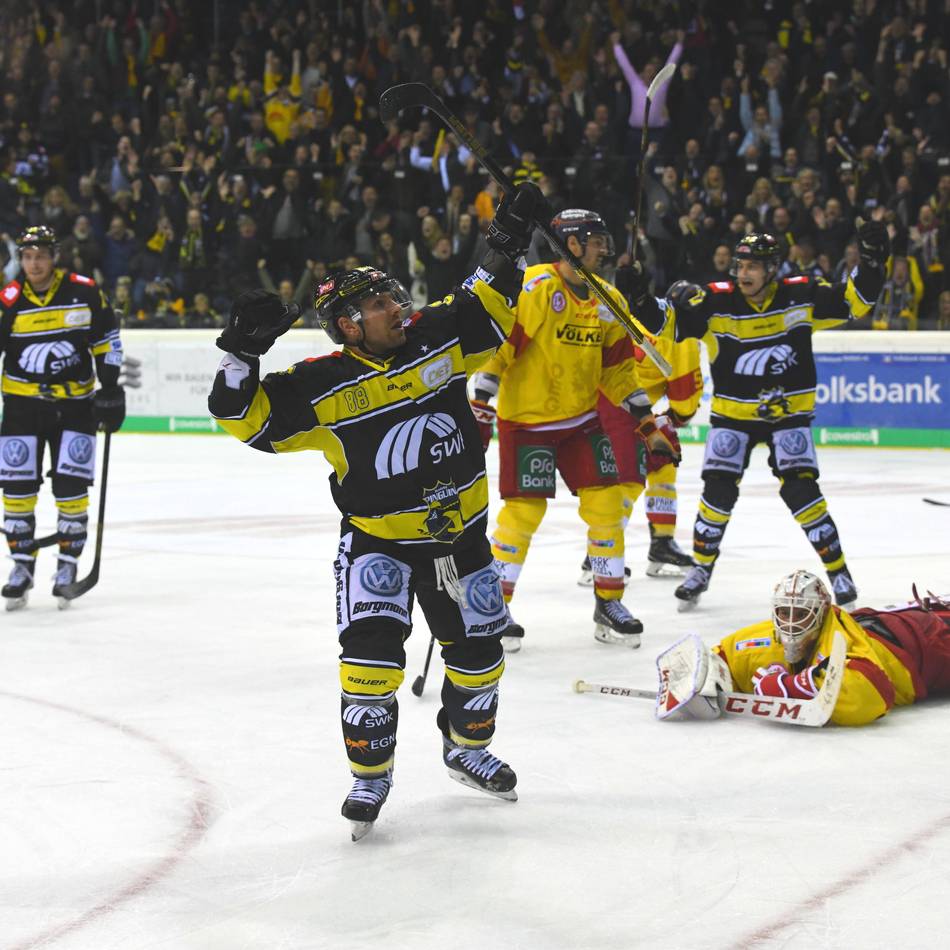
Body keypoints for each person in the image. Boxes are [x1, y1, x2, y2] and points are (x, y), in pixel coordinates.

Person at [208, 183, 547, 840]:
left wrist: (509, 237)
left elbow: (488, 300)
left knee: (479, 657)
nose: (396, 307)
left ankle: (466, 749)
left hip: (461, 541)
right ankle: (370, 777)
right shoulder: (318, 384)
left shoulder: (437, 335)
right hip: (379, 545)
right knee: (370, 666)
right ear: (345, 325)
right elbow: (240, 420)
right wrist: (240, 351)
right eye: (377, 303)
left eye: (393, 295)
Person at [626, 225, 888, 611]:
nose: (743, 273)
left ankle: (839, 573)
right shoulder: (716, 302)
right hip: (733, 418)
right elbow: (663, 324)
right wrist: (638, 295)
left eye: (752, 266)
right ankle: (701, 570)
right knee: (717, 493)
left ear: (772, 268)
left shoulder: (803, 295)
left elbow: (856, 301)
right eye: (740, 264)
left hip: (788, 418)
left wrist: (872, 262)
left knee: (803, 493)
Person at [470, 209, 678, 653]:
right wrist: (480, 403)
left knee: (606, 506)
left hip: (582, 422)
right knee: (523, 515)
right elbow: (500, 349)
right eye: (596, 239)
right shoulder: (537, 288)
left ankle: (609, 602)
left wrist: (648, 424)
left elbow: (620, 373)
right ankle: (495, 610)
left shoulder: (609, 299)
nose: (605, 246)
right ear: (570, 244)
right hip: (528, 423)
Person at [0, 225, 125, 610]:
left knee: (71, 488)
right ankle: (22, 565)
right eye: (27, 257)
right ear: (20, 259)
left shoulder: (84, 290)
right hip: (21, 407)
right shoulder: (9, 299)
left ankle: (67, 565)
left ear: (54, 256)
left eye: (40, 256)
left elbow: (107, 338)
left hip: (76, 407)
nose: (34, 263)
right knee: (17, 491)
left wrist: (109, 387)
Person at [661, 571, 950, 727]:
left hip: (926, 645)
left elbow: (872, 693)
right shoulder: (774, 634)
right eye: (784, 612)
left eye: (800, 614)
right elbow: (729, 653)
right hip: (900, 625)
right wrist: (704, 674)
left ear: (821, 613)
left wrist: (793, 686)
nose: (790, 622)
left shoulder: (838, 635)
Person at [581, 295, 702, 583]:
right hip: (623, 408)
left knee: (663, 457)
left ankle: (661, 543)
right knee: (628, 483)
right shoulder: (683, 335)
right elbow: (684, 396)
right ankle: (597, 557)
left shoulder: (633, 316)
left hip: (596, 402)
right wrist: (678, 416)